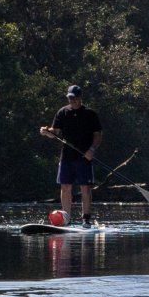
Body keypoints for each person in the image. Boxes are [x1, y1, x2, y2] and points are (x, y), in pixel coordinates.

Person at [39, 85, 103, 224]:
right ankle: (66, 219)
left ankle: (86, 219)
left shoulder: (90, 114)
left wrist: (91, 150)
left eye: (74, 98)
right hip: (67, 156)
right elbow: (54, 133)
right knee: (65, 186)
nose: (72, 100)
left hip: (84, 156)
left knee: (85, 187)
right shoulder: (62, 112)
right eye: (70, 98)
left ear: (80, 98)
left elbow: (98, 136)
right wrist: (46, 131)